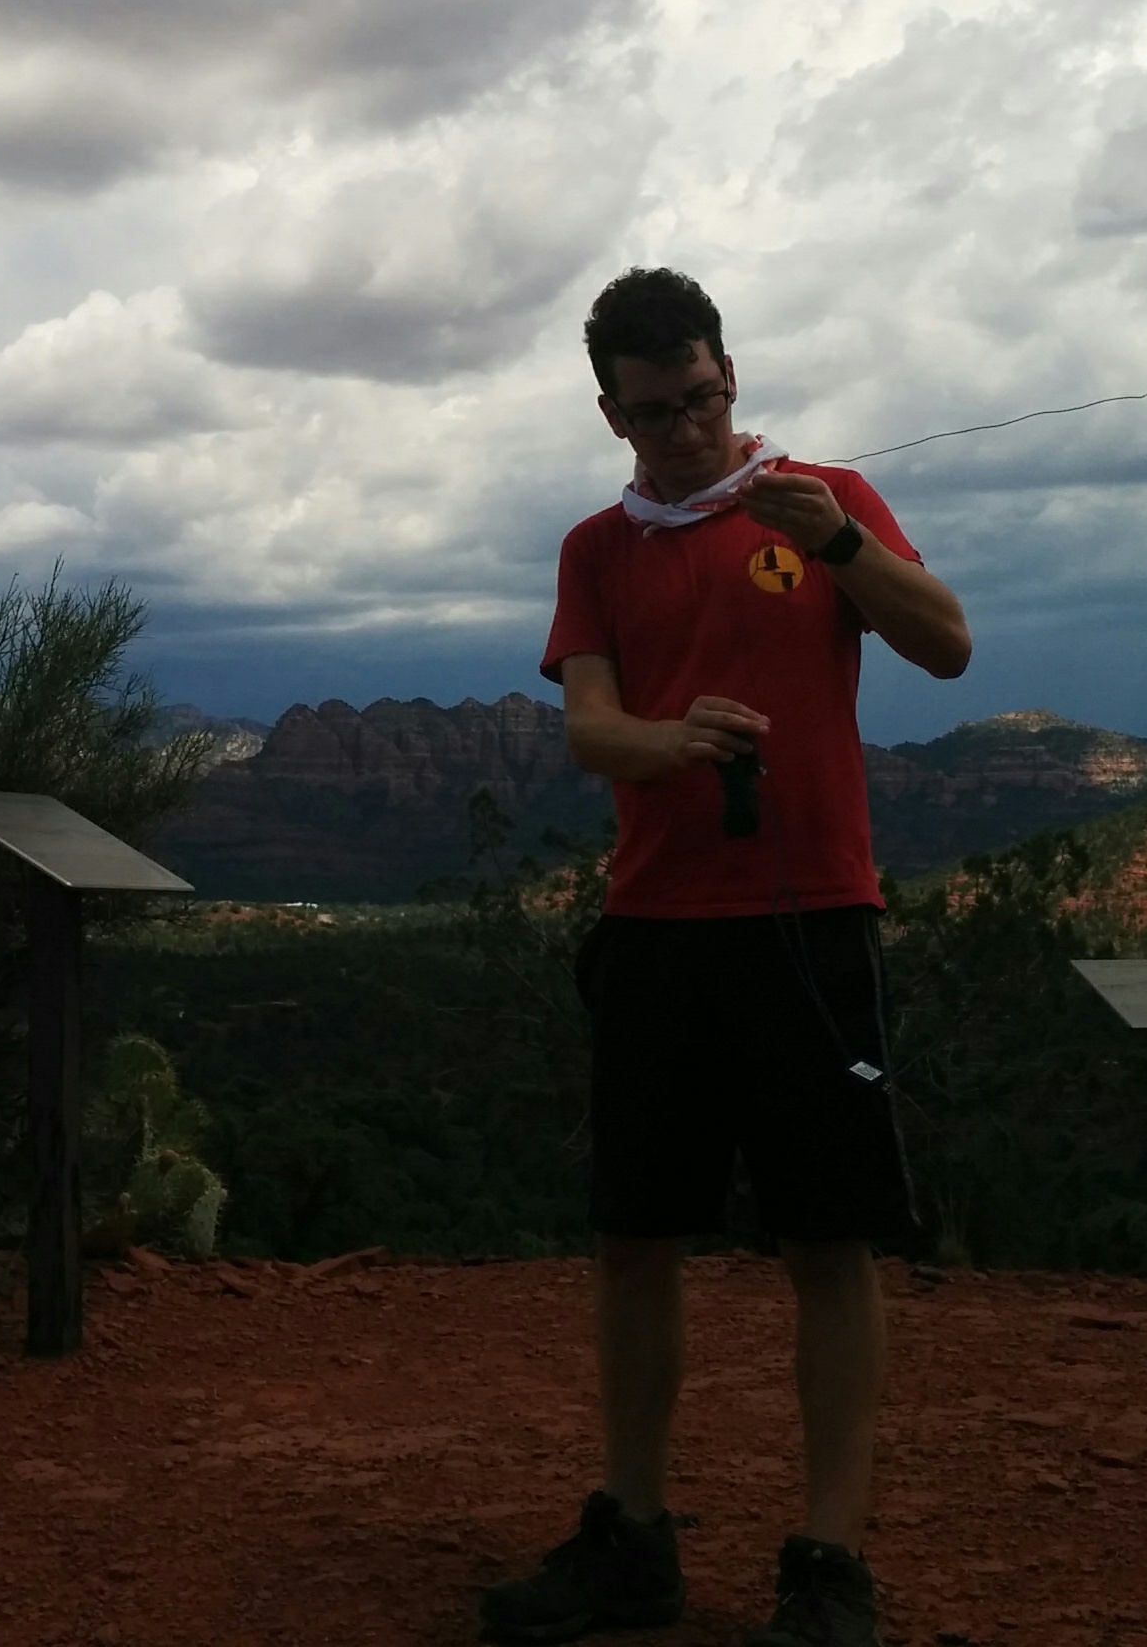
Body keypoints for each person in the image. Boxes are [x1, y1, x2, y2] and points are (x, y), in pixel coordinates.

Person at [482, 268, 971, 1647]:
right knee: (635, 1240)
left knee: (831, 1242)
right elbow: (591, 728)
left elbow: (947, 647)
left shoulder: (828, 500)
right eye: (651, 417)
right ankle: (632, 1538)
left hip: (815, 921)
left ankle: (828, 1563)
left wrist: (842, 551)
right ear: (610, 416)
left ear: (731, 377)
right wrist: (674, 740)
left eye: (697, 400)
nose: (683, 434)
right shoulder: (600, 548)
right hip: (654, 930)